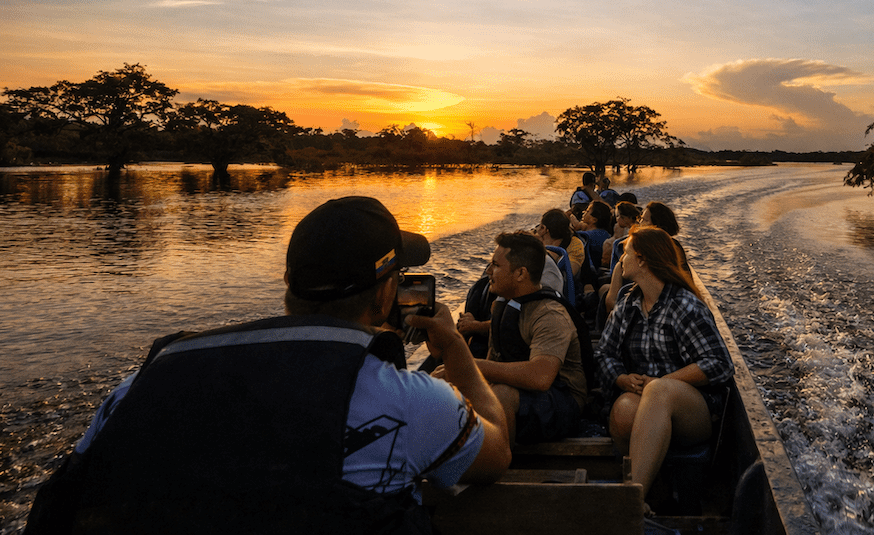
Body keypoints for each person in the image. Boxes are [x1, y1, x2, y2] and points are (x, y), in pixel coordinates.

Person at [25, 196, 511, 535]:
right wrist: (455, 348)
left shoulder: (143, 382)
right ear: (387, 292)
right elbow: (497, 449)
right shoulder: (408, 400)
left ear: (288, 282)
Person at [595, 226, 733, 500]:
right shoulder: (628, 303)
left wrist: (663, 382)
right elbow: (603, 354)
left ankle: (632, 499)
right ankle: (655, 489)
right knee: (623, 412)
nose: (621, 259)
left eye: (626, 253)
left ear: (643, 260)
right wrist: (622, 379)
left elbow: (719, 363)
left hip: (693, 410)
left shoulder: (685, 306)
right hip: (645, 397)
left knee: (659, 391)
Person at [454, 232, 587, 444]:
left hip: (563, 401)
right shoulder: (501, 305)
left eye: (496, 265)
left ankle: (500, 464)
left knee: (501, 394)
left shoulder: (549, 314)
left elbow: (541, 377)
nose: (488, 271)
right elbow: (494, 360)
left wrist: (471, 366)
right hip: (522, 392)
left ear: (520, 273)